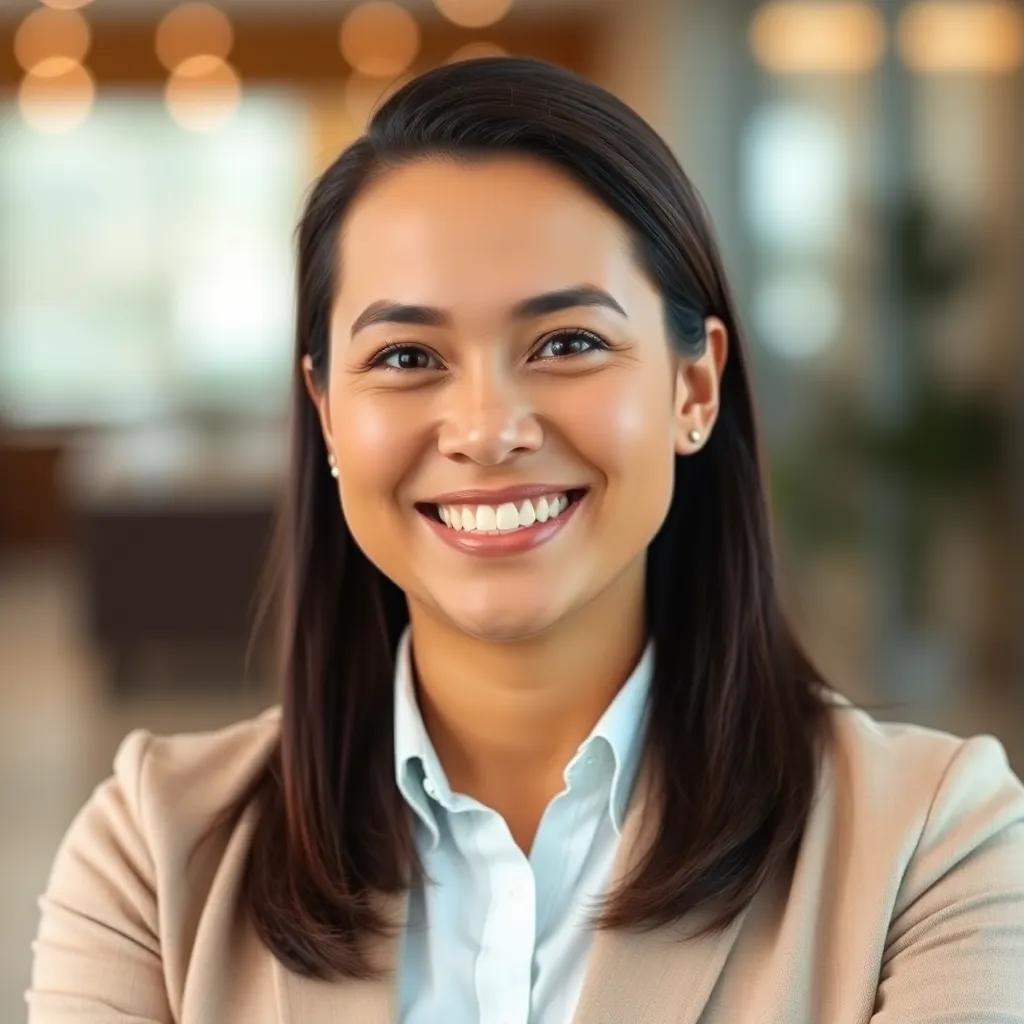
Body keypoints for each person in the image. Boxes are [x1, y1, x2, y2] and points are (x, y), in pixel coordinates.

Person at [27, 56, 1024, 1024]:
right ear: (326, 412)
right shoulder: (154, 857)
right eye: (407, 355)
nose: (487, 428)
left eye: (567, 344)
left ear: (694, 388)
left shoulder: (932, 844)